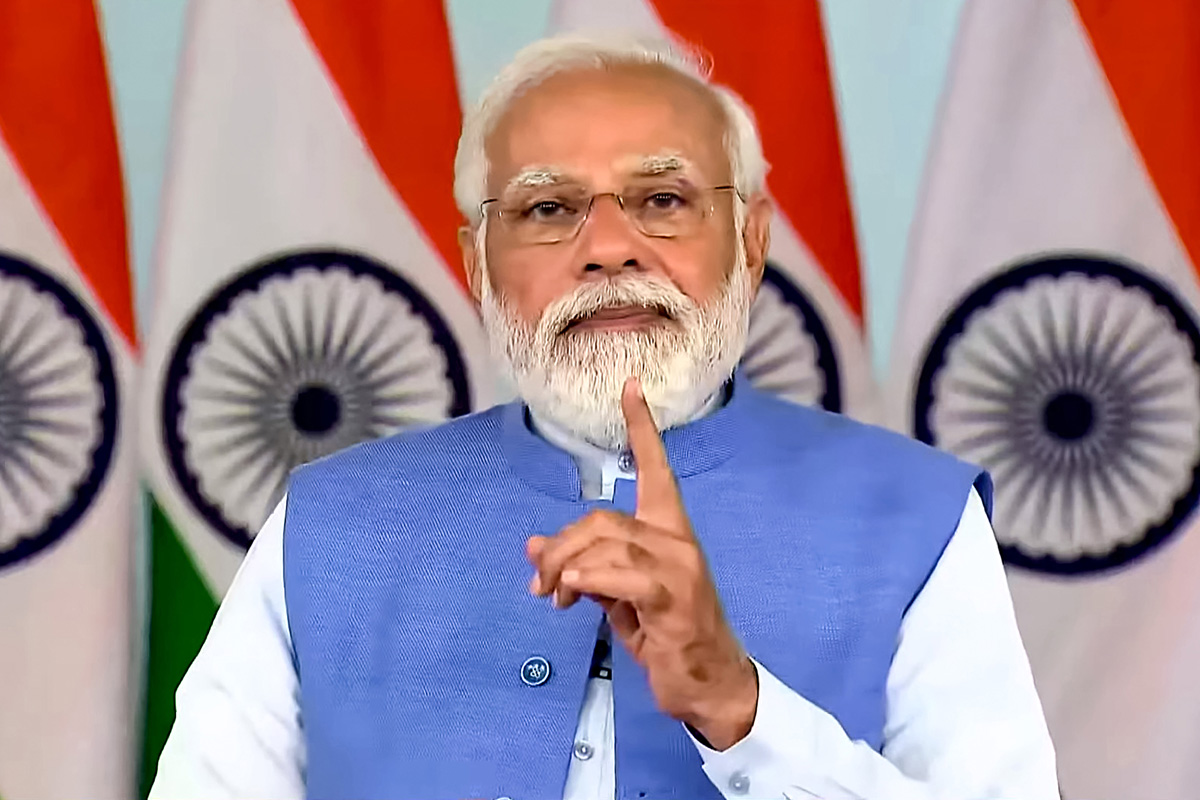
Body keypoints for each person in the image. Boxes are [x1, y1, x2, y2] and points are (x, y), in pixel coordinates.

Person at [149, 33, 1058, 800]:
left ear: (750, 243)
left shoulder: (918, 520)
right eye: (549, 208)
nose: (611, 248)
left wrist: (740, 709)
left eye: (663, 200)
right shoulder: (330, 527)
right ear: (477, 264)